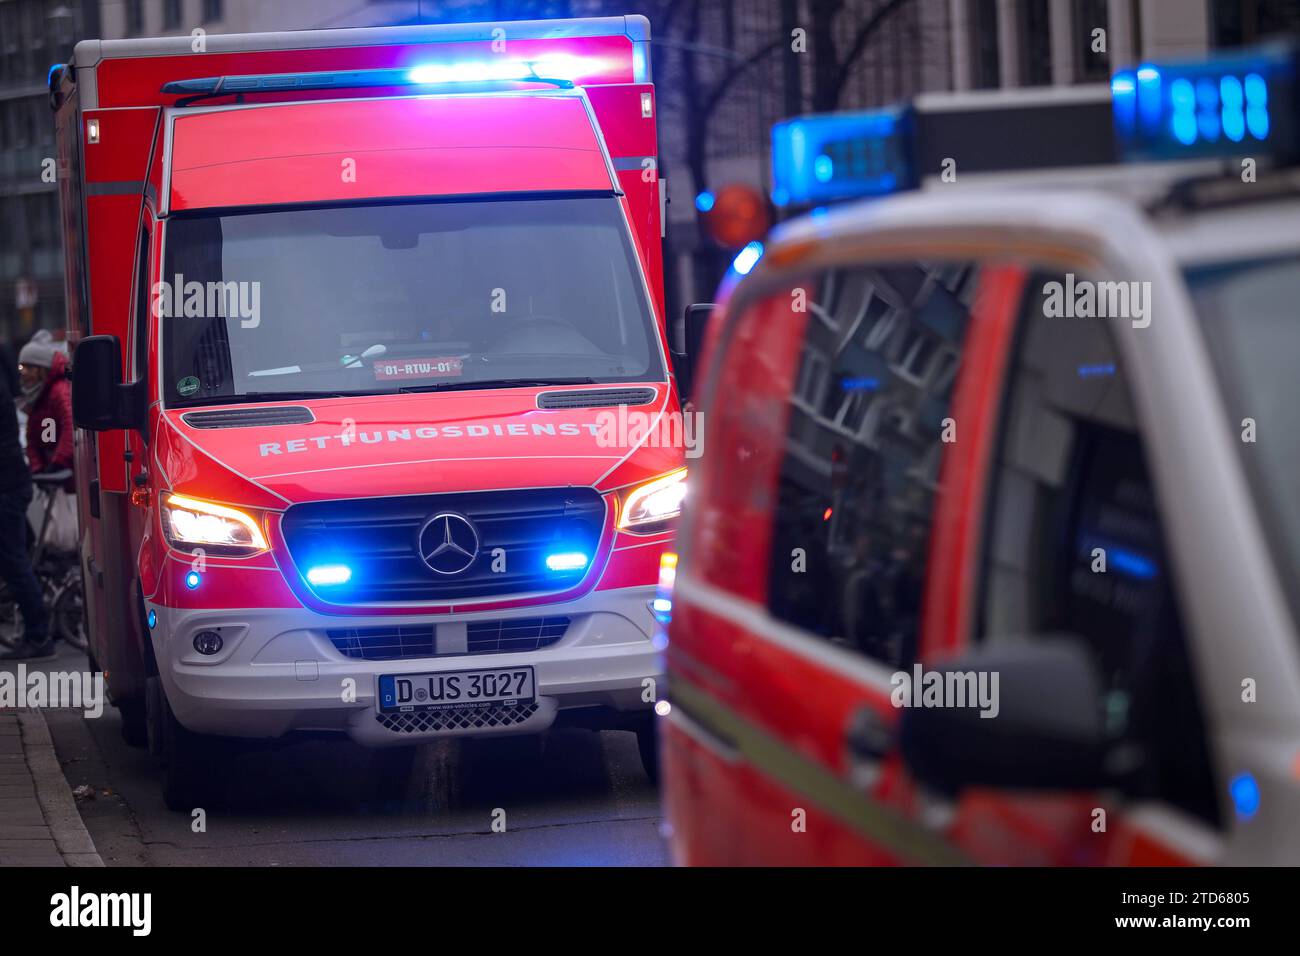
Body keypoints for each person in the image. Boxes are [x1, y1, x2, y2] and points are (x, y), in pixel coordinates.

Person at [0, 342, 53, 661]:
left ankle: (39, 634)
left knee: (14, 562)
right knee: (16, 559)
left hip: (7, 486)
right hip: (12, 482)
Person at [19, 330, 74, 483]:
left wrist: (58, 463)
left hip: (66, 476)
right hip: (54, 476)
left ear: (41, 369)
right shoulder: (39, 395)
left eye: (28, 368)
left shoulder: (58, 391)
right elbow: (32, 438)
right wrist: (38, 468)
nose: (24, 373)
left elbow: (70, 426)